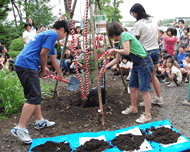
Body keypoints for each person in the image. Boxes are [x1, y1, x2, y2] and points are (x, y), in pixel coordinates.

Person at [10, 20, 70, 144]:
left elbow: (53, 58)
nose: (64, 37)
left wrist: (59, 74)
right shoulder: (53, 34)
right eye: (65, 35)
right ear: (62, 30)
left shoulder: (49, 37)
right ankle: (19, 128)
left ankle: (39, 121)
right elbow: (43, 54)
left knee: (35, 94)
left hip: (25, 64)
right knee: (34, 96)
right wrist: (43, 69)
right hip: (27, 65)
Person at [102, 21, 153, 123]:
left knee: (144, 90)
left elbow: (126, 52)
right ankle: (134, 107)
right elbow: (117, 60)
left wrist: (114, 50)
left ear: (112, 32)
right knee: (132, 87)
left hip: (144, 62)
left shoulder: (124, 35)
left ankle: (148, 114)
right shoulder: (121, 41)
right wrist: (105, 67)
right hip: (137, 63)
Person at [130, 3, 163, 106]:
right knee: (152, 76)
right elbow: (158, 35)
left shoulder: (138, 24)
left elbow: (136, 41)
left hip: (146, 52)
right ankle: (159, 98)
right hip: (156, 50)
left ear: (136, 12)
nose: (133, 15)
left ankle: (146, 101)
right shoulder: (153, 20)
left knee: (145, 78)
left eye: (133, 13)